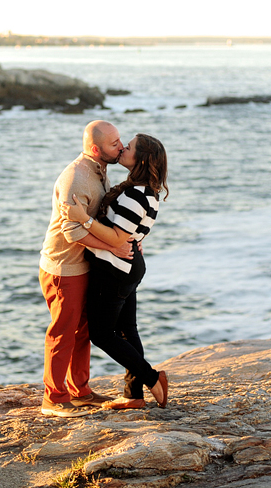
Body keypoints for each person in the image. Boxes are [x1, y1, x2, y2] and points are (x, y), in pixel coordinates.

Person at [59, 133, 169, 410]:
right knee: (127, 330)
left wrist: (82, 218)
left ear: (140, 159)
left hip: (115, 270)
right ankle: (133, 396)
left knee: (102, 334)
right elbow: (130, 233)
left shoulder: (136, 193)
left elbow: (117, 238)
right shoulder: (146, 189)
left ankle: (152, 378)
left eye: (128, 147)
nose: (123, 148)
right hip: (127, 267)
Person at [38, 120, 133, 417]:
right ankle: (53, 398)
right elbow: (72, 232)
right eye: (114, 143)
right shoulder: (76, 178)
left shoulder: (99, 170)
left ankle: (79, 390)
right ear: (96, 149)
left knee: (83, 330)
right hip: (64, 267)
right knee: (63, 331)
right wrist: (114, 246)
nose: (121, 146)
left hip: (85, 263)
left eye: (120, 140)